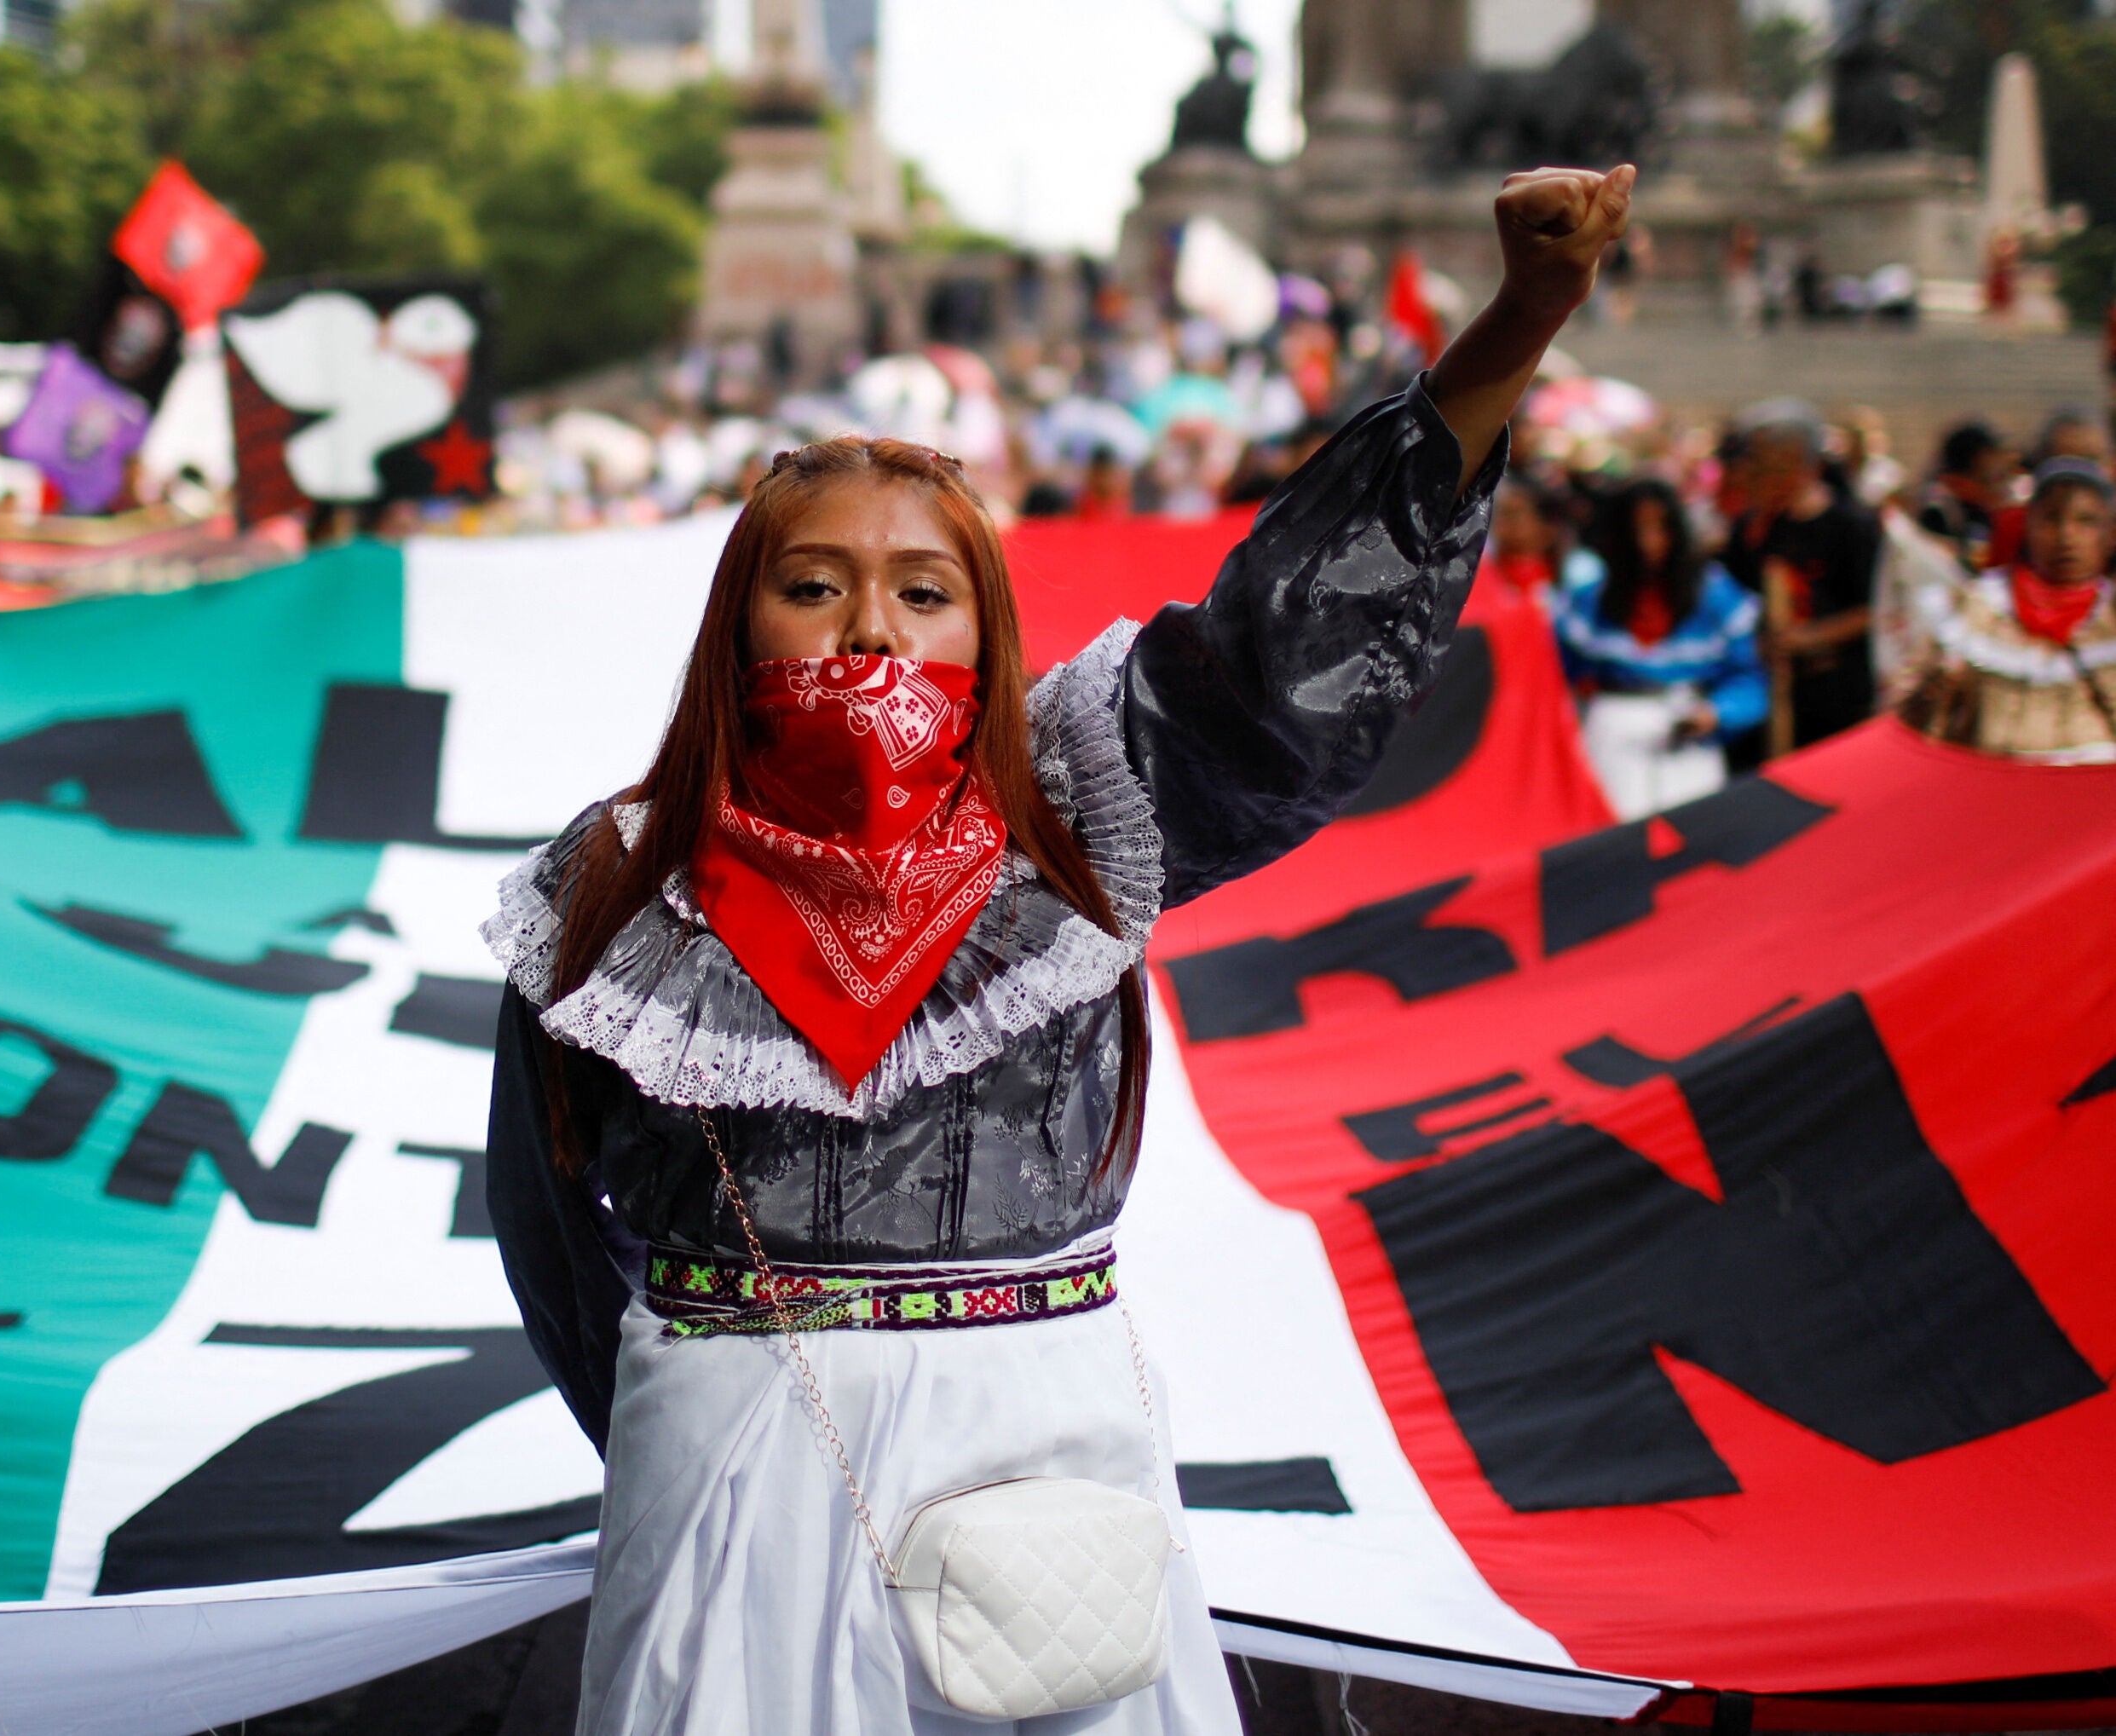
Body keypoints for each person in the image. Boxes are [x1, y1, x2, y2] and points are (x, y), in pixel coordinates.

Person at [482, 164, 1635, 1736]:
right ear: (737, 628)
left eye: (924, 591)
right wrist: (687, 1420)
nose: (869, 632)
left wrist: (1516, 325)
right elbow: (547, 1228)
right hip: (728, 1445)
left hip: (1042, 1452)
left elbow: (1282, 654)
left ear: (989, 630)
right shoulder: (613, 884)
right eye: (812, 587)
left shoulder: (1091, 800)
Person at [1557, 478, 1767, 817]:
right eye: (1636, 530)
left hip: (1688, 730)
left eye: (1660, 529)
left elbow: (1748, 678)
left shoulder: (1714, 594)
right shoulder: (1591, 599)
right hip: (1610, 732)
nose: (1647, 542)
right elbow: (1556, 676)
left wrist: (1717, 712)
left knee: (1692, 842)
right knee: (1611, 839)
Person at [1899, 456, 2116, 763]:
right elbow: (1915, 726)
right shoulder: (1975, 608)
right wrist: (1932, 689)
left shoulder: (2111, 617)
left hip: (2092, 801)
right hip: (1994, 794)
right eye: (2051, 519)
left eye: (2086, 521)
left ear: (2110, 535)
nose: (2067, 536)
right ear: (2027, 525)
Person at [1721, 404, 1881, 755]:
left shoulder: (1851, 527)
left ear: (1806, 465)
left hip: (1832, 694)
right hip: (1764, 694)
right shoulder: (1750, 530)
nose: (1763, 477)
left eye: (1776, 465)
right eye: (1758, 465)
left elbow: (1873, 610)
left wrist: (1809, 638)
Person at [1918, 420, 2010, 570]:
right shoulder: (1939, 505)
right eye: (1992, 454)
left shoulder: (1984, 502)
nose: (2000, 462)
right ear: (1977, 459)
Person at [1477, 471, 1562, 601]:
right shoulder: (1477, 575)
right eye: (1498, 516)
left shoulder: (1575, 583)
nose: (1500, 525)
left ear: (1547, 528)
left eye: (1512, 516)